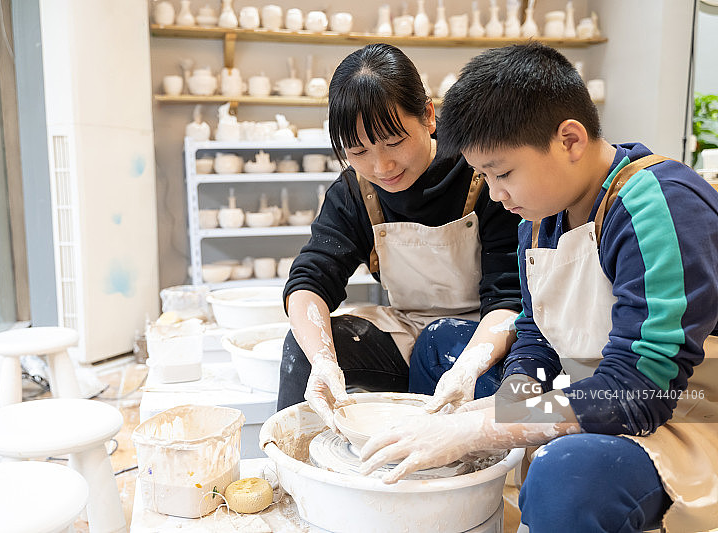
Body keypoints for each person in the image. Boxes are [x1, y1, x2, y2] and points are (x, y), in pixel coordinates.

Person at [358, 42, 718, 533]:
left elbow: (638, 392)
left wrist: (484, 426)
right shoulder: (540, 211)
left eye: (503, 173)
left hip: (682, 418)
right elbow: (537, 334)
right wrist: (512, 398)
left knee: (566, 476)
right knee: (441, 345)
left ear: (570, 140)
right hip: (600, 389)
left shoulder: (659, 205)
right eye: (484, 176)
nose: (496, 194)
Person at [277, 43, 523, 431]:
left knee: (440, 344)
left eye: (393, 141)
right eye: (358, 150)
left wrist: (466, 368)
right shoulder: (356, 192)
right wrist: (323, 360)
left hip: (487, 337)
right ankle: (292, 460)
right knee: (305, 346)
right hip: (409, 330)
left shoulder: (482, 173)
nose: (382, 166)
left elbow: (511, 297)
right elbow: (311, 280)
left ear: (427, 116)